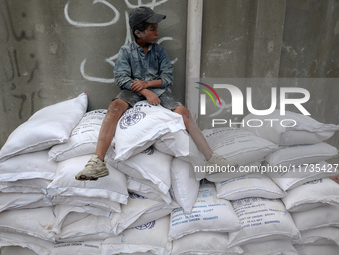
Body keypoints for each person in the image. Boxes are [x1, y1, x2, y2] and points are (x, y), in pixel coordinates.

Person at [75, 6, 237, 181]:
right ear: (138, 32)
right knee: (114, 107)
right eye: (152, 28)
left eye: (157, 28)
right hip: (132, 91)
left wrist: (148, 85)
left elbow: (167, 77)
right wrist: (144, 91)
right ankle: (98, 162)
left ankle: (211, 158)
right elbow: (121, 79)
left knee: (183, 112)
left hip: (159, 90)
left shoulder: (159, 51)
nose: (157, 32)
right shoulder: (126, 51)